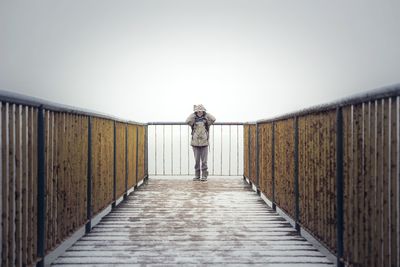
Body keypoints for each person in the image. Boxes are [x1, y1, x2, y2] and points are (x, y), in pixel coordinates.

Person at [185, 104, 216, 181]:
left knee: (204, 161)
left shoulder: (206, 120)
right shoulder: (193, 120)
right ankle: (197, 175)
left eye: (201, 110)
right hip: (195, 143)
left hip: (204, 143)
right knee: (197, 161)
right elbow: (187, 121)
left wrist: (206, 113)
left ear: (203, 111)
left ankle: (204, 175)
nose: (199, 112)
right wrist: (194, 113)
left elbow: (213, 119)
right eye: (198, 111)